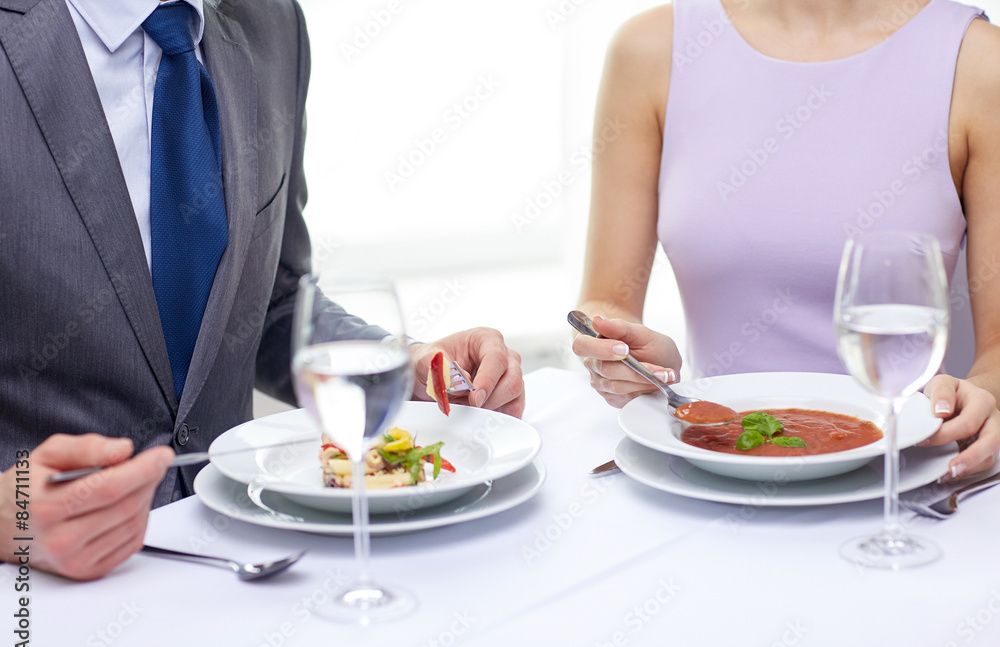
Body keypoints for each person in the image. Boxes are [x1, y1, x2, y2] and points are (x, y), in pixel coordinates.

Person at [0, 0, 523, 580]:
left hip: (245, 562)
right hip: (33, 596)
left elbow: (270, 301)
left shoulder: (273, 22)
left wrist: (405, 366)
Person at [573, 0, 1000, 480]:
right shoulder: (652, 48)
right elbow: (607, 300)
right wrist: (629, 356)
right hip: (712, 468)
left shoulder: (980, 62)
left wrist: (985, 391)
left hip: (907, 479)